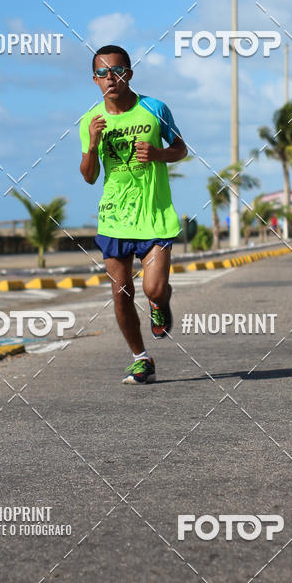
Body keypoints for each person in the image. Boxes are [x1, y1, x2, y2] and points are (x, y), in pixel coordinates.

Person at [79, 45, 187, 384]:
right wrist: (94, 144)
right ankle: (141, 358)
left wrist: (157, 153)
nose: (110, 78)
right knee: (121, 291)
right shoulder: (90, 120)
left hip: (154, 215)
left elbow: (181, 149)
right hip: (114, 217)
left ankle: (161, 301)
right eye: (102, 72)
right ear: (94, 79)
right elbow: (89, 175)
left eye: (117, 70)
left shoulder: (155, 109)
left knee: (154, 288)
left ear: (129, 73)